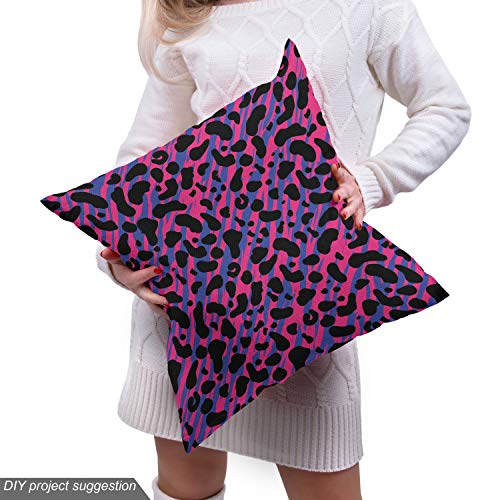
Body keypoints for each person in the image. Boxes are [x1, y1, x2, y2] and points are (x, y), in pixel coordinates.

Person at [95, 0, 471, 498]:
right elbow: (140, 162)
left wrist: (372, 180)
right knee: (187, 488)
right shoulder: (190, 18)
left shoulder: (370, 7)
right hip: (188, 317)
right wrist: (122, 259)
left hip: (304, 319)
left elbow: (445, 108)